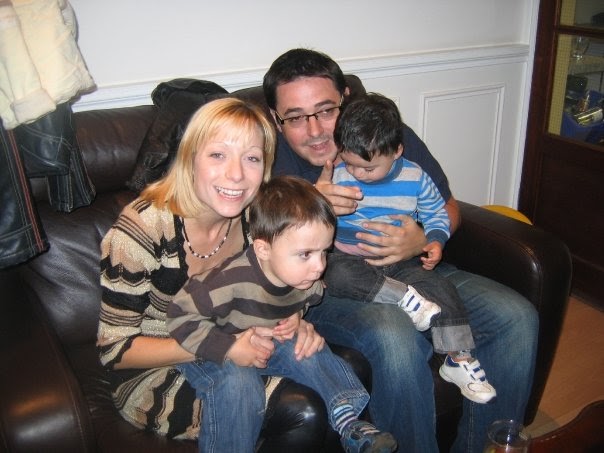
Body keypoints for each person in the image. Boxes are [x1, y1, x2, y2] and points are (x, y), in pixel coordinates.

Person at [263, 48, 538, 453]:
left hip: (412, 265)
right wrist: (305, 205)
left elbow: (447, 205)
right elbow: (249, 249)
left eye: (326, 110)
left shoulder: (384, 133)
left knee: (516, 316)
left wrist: (423, 237)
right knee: (395, 336)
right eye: (295, 117)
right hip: (328, 283)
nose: (317, 130)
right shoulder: (261, 158)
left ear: (347, 98)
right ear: (275, 118)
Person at [96, 98, 326, 448]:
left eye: (251, 158)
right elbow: (115, 351)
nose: (236, 174)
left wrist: (294, 316)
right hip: (156, 367)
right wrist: (224, 345)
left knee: (332, 372)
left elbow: (285, 282)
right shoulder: (141, 230)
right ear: (190, 160)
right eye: (218, 155)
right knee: (287, 403)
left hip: (244, 344)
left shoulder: (256, 220)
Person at [166, 175, 397, 453]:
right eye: (306, 254)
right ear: (263, 249)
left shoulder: (306, 280)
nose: (319, 267)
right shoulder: (227, 282)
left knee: (308, 349)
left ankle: (348, 422)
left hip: (265, 341)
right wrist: (228, 347)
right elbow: (178, 315)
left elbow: (308, 298)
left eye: (324, 252)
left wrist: (298, 318)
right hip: (212, 347)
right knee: (239, 384)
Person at [324, 92, 496, 405]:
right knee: (334, 272)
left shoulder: (415, 177)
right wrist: (323, 204)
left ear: (396, 151)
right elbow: (316, 225)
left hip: (403, 264)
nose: (358, 174)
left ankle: (459, 358)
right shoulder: (337, 176)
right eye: (350, 164)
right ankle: (406, 300)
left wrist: (435, 240)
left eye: (369, 167)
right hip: (352, 261)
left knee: (441, 288)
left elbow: (436, 214)